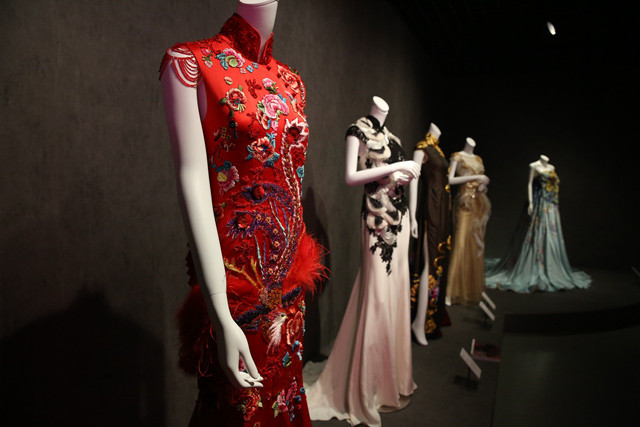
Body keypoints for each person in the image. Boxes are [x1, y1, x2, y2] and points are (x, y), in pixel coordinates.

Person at [160, 1, 323, 425]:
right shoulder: (192, 63)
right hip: (235, 282)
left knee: (285, 396)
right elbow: (191, 179)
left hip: (289, 282)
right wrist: (218, 311)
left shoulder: (292, 82)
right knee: (237, 410)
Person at [306, 97, 418, 427]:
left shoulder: (394, 138)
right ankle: (367, 385)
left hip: (399, 221)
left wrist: (400, 177)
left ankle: (391, 380)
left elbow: (393, 177)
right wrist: (393, 169)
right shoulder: (357, 131)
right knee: (377, 297)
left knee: (394, 295)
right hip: (375, 224)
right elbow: (351, 176)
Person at [485, 155, 591, 292]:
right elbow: (530, 184)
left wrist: (554, 204)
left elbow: (554, 186)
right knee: (536, 232)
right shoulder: (534, 166)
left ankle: (549, 265)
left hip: (551, 205)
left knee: (550, 234)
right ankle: (533, 264)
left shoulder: (552, 167)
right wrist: (531, 202)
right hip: (539, 203)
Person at [408, 124, 452, 345]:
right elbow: (414, 180)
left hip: (443, 209)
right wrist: (413, 216)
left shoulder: (438, 150)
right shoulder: (422, 149)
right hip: (431, 208)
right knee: (430, 262)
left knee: (438, 262)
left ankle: (427, 319)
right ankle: (418, 322)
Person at [446, 137, 491, 305]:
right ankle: (451, 291)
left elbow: (481, 182)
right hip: (464, 203)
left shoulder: (478, 159)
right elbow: (450, 180)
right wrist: (478, 176)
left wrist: (482, 185)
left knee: (474, 244)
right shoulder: (457, 157)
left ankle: (471, 288)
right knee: (460, 243)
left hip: (478, 203)